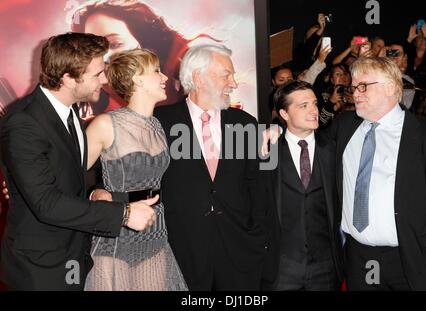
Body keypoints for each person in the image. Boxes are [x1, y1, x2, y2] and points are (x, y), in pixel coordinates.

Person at [93, 44, 267, 290]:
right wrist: (100, 191)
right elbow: (120, 172)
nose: (234, 83)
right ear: (199, 77)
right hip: (180, 251)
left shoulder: (246, 124)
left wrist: (257, 240)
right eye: (226, 75)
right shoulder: (159, 122)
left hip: (239, 252)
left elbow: (259, 190)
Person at [0, 33, 156, 290]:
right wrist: (124, 215)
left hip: (72, 254)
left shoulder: (69, 110)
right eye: (97, 74)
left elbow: (74, 173)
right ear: (68, 79)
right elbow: (47, 203)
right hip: (41, 268)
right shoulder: (23, 123)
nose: (105, 79)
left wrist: (97, 192)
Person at [330, 57, 426, 290]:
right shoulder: (344, 126)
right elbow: (308, 145)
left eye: (364, 86)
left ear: (392, 87)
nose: (356, 93)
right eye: (354, 87)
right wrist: (274, 132)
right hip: (358, 258)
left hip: (414, 257)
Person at [83, 48, 187, 291]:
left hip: (154, 229)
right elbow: (69, 173)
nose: (164, 78)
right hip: (116, 230)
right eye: (156, 71)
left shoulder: (158, 125)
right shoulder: (107, 124)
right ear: (137, 79)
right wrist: (95, 193)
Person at [71, 0, 217, 118]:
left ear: (145, 44)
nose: (105, 58)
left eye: (115, 44)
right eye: (94, 50)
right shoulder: (100, 118)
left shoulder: (186, 70)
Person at [264, 80, 344, 290]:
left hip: (326, 266)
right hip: (281, 267)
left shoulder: (334, 150)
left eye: (314, 104)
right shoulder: (265, 151)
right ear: (284, 114)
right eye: (303, 105)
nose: (313, 110)